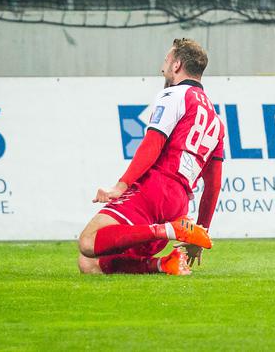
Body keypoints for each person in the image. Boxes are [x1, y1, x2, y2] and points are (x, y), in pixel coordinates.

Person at [78, 38, 225, 276]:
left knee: (88, 241)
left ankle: (167, 230)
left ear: (177, 65)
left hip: (154, 189)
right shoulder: (216, 120)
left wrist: (120, 185)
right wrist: (201, 233)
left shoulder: (175, 94)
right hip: (178, 203)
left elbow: (152, 143)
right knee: (89, 264)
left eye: (166, 61)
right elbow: (213, 185)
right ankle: (164, 263)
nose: (162, 67)